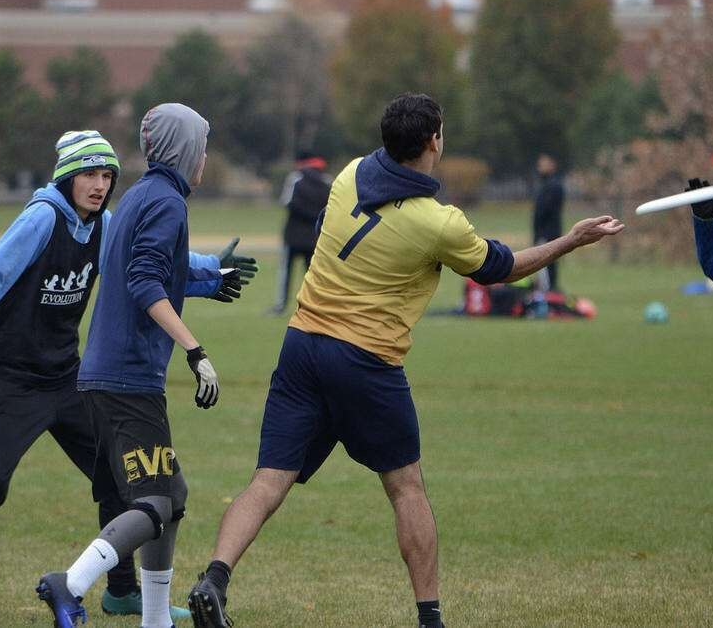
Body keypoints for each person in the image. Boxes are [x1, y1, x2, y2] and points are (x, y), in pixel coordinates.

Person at [186, 93, 624, 628]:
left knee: (268, 479)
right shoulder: (439, 223)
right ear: (433, 142)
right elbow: (502, 269)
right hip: (365, 361)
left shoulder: (348, 175)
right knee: (406, 485)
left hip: (301, 345)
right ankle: (430, 618)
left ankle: (214, 579)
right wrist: (571, 241)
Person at [0, 131, 161, 624]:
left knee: (117, 478)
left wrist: (212, 273)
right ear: (67, 176)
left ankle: (121, 592)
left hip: (66, 379)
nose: (100, 185)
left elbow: (143, 268)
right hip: (14, 381)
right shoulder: (42, 217)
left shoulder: (103, 226)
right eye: (89, 174)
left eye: (107, 176)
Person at [36, 103, 233, 628]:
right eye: (201, 146)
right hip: (128, 379)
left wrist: (207, 280)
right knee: (156, 499)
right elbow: (145, 282)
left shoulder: (140, 195)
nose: (205, 157)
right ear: (183, 149)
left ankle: (154, 619)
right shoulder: (167, 202)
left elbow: (139, 271)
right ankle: (70, 583)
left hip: (102, 375)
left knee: (173, 494)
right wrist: (196, 352)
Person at [270, 152, 331, 314]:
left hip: (293, 235)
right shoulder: (327, 180)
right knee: (312, 274)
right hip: (315, 236)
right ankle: (315, 306)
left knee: (286, 272)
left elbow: (286, 202)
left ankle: (280, 306)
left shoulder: (295, 178)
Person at [532, 153, 565, 291]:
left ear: (552, 165)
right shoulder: (545, 185)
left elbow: (544, 210)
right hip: (546, 231)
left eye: (543, 164)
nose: (540, 168)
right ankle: (549, 290)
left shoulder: (553, 186)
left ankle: (548, 294)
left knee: (545, 264)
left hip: (548, 232)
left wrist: (539, 233)